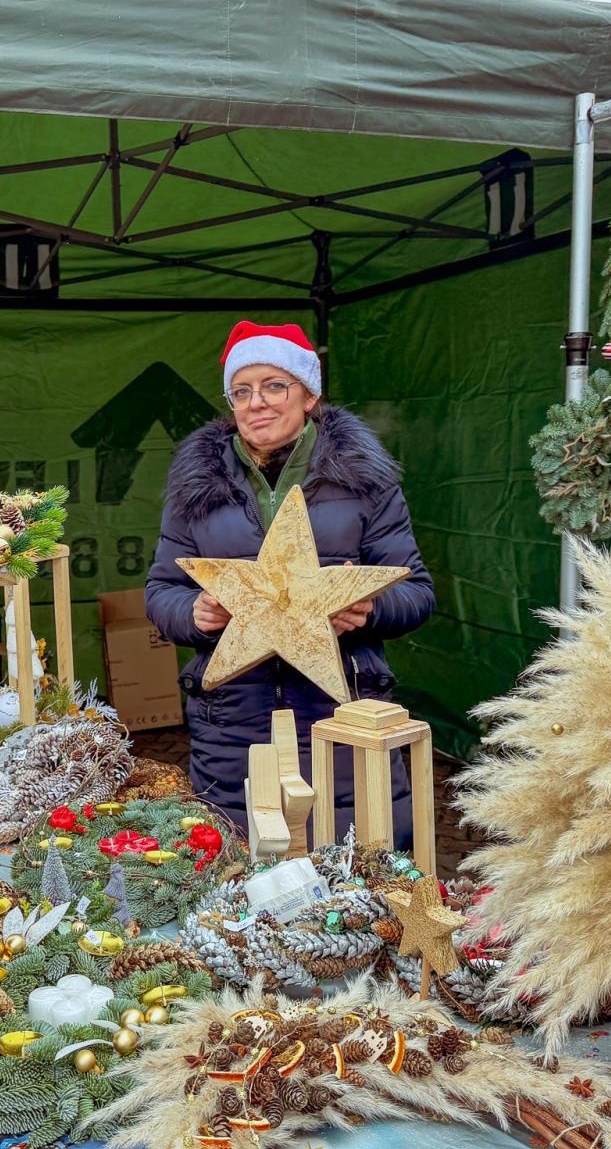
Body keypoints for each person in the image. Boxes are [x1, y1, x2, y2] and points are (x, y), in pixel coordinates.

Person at [145, 321, 436, 845]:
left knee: (358, 868)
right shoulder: (194, 488)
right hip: (232, 722)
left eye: (275, 385)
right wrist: (197, 614)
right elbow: (161, 592)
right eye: (242, 390)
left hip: (343, 714)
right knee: (239, 877)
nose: (257, 402)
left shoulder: (366, 482)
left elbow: (417, 592)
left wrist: (370, 609)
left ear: (309, 395)